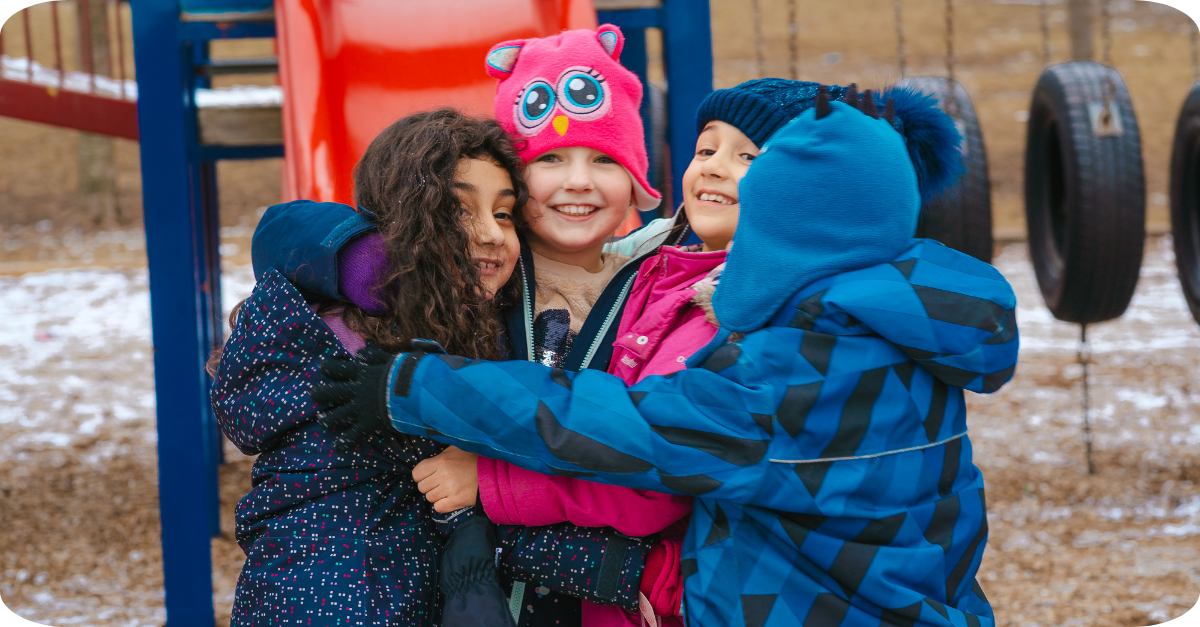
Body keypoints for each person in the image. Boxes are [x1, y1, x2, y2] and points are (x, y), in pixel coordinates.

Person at [310, 85, 1021, 627]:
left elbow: (618, 423)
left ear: (795, 237)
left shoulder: (792, 375)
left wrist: (424, 386)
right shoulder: (893, 322)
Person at [249, 26, 697, 627]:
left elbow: (653, 442)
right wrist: (373, 264)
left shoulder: (664, 282)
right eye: (551, 160)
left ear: (639, 181)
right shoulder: (475, 288)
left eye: (605, 160)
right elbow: (285, 230)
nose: (579, 181)